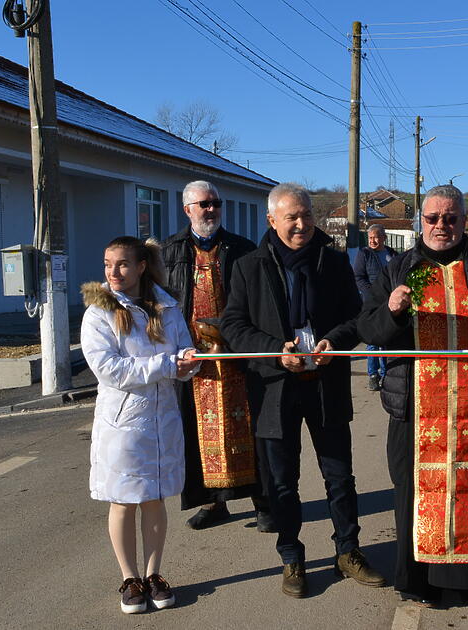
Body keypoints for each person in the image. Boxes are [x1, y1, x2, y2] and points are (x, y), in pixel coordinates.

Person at [358, 184, 468, 608]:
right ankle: (419, 582)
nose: (441, 226)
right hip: (414, 407)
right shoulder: (400, 269)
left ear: (464, 221)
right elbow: (368, 329)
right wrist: (392, 312)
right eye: (432, 218)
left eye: (450, 218)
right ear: (421, 221)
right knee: (414, 493)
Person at [221, 183, 384, 598]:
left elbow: (357, 317)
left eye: (306, 215)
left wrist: (335, 341)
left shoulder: (333, 261)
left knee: (340, 476)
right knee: (281, 482)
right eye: (291, 217)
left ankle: (348, 552)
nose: (301, 224)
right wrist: (276, 352)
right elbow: (234, 326)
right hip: (275, 388)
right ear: (271, 220)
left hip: (325, 385)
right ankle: (291, 556)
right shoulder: (249, 266)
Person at [80, 236, 201, 614]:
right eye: (107, 264)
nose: (113, 272)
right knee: (123, 500)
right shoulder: (98, 312)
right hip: (123, 423)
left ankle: (153, 575)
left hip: (163, 419)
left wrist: (190, 360)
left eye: (122, 264)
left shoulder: (167, 307)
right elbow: (110, 370)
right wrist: (167, 364)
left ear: (141, 266)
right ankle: (129, 578)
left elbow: (182, 351)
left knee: (154, 498)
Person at [161, 180, 272, 532]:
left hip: (239, 356)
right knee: (198, 430)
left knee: (252, 427)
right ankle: (212, 502)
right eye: (204, 204)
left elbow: (259, 298)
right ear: (187, 210)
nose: (211, 210)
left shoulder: (242, 248)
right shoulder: (169, 252)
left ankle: (263, 502)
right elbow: (161, 303)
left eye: (216, 203)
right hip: (195, 360)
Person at [354, 224, 396, 391]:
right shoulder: (364, 254)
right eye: (370, 237)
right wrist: (371, 294)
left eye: (376, 237)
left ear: (384, 238)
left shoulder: (392, 254)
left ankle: (386, 374)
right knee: (372, 341)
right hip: (371, 303)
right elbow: (359, 277)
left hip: (389, 302)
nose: (372, 241)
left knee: (386, 339)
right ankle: (373, 374)